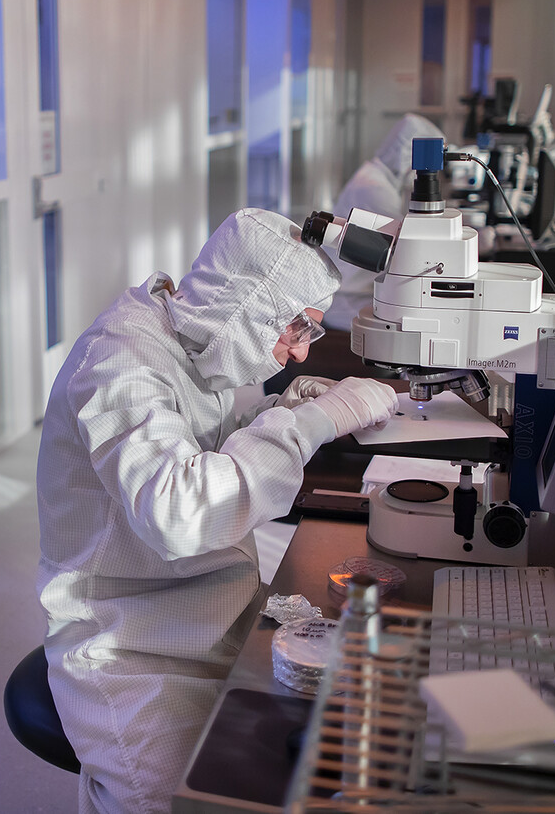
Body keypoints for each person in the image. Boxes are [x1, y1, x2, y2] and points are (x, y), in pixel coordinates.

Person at [36, 208, 399, 814]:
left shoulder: (193, 341)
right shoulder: (118, 363)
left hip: (206, 605)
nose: (301, 354)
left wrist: (272, 412)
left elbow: (195, 444)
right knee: (182, 800)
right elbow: (179, 511)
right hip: (128, 644)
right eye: (296, 329)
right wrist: (308, 424)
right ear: (246, 306)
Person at [321, 112, 444, 332]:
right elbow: (407, 245)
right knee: (408, 326)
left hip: (356, 290)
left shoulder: (377, 179)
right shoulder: (374, 188)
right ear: (405, 154)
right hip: (345, 297)